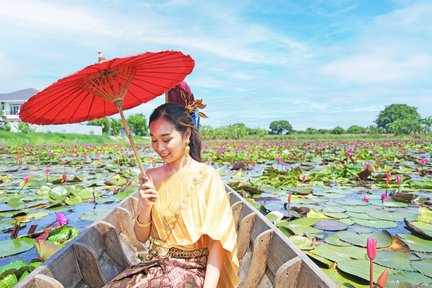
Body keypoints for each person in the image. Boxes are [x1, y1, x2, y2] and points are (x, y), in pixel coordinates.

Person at [105, 101, 239, 287]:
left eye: (166, 139)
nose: (159, 148)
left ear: (187, 135)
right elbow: (141, 237)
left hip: (193, 270)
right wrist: (145, 206)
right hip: (155, 265)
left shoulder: (208, 177)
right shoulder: (150, 177)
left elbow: (217, 242)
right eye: (153, 140)